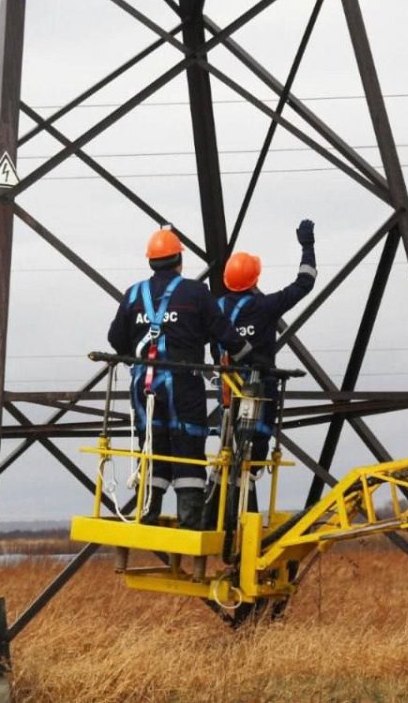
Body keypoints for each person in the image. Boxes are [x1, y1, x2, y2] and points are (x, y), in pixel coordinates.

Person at [107, 225, 252, 529]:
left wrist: (138, 358)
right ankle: (190, 522)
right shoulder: (195, 292)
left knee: (152, 443)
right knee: (188, 446)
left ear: (151, 262)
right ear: (179, 261)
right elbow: (225, 334)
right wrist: (249, 358)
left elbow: (115, 339)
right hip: (183, 384)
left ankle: (147, 514)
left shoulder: (134, 294)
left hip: (143, 385)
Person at [212, 219, 317, 501]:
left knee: (229, 451)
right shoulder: (264, 306)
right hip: (260, 391)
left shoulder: (216, 309)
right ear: (254, 279)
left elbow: (209, 344)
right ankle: (247, 510)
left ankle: (233, 507)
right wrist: (308, 246)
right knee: (253, 454)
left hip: (227, 392)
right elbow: (305, 282)